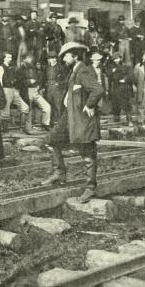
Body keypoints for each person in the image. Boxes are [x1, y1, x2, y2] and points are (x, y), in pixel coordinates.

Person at [41, 42, 103, 203]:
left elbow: (97, 90)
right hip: (69, 118)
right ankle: (59, 173)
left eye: (66, 56)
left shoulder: (83, 70)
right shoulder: (73, 71)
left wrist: (89, 105)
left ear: (75, 56)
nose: (64, 59)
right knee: (51, 140)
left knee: (88, 153)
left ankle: (90, 188)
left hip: (82, 119)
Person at [15, 52, 51, 133]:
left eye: (30, 58)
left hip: (35, 91)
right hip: (26, 91)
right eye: (28, 58)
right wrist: (28, 81)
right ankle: (27, 129)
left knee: (47, 107)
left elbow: (38, 78)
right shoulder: (19, 70)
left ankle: (45, 124)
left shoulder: (33, 68)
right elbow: (18, 83)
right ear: (24, 60)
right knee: (29, 110)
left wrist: (38, 84)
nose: (30, 59)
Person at [0, 51, 30, 131]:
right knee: (5, 112)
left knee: (25, 107)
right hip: (5, 90)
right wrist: (1, 93)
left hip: (13, 90)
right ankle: (4, 130)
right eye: (8, 57)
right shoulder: (0, 68)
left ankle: (23, 126)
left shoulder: (11, 68)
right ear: (4, 58)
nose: (10, 59)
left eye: (11, 57)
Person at [42, 50, 68, 127]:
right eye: (50, 58)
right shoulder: (47, 68)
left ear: (56, 59)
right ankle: (51, 124)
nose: (52, 60)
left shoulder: (61, 67)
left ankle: (61, 125)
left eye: (53, 58)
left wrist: (59, 84)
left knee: (58, 107)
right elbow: (43, 78)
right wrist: (43, 87)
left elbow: (66, 79)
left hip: (58, 90)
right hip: (49, 89)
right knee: (50, 107)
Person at [107, 52, 134, 124]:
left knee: (126, 104)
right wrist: (112, 71)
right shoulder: (111, 67)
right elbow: (108, 76)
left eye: (117, 58)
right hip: (115, 88)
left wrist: (124, 79)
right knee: (115, 105)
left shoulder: (126, 66)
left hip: (124, 88)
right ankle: (116, 120)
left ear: (120, 58)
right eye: (114, 59)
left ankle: (129, 120)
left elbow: (130, 75)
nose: (116, 60)